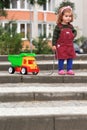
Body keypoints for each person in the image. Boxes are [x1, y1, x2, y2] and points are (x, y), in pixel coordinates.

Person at [52, 6, 77, 75]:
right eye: (66, 16)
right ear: (61, 16)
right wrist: (53, 45)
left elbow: (75, 32)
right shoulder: (58, 27)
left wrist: (73, 35)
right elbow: (54, 36)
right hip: (61, 45)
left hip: (69, 45)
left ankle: (69, 69)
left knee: (70, 57)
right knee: (61, 58)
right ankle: (61, 69)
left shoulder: (70, 26)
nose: (68, 17)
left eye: (70, 16)